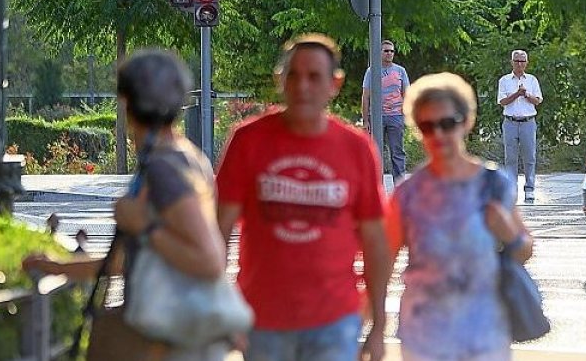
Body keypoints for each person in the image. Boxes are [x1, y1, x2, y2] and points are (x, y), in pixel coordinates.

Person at [23, 49, 230, 360]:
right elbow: (135, 260)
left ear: (127, 104)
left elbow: (209, 260)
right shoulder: (186, 157)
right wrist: (57, 266)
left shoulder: (165, 169)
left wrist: (143, 225)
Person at [216, 34, 390, 361]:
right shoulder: (248, 140)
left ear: (334, 84)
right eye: (293, 75)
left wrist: (379, 325)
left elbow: (375, 240)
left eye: (314, 77)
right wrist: (222, 308)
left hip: (335, 320)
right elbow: (218, 231)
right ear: (279, 79)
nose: (302, 86)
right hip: (262, 320)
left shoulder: (356, 149)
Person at [387, 73, 533, 361]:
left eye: (447, 123)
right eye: (427, 126)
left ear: (466, 122)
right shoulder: (407, 194)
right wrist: (374, 320)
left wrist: (509, 235)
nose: (438, 134)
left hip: (484, 331)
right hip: (423, 334)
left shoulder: (493, 184)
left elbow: (525, 250)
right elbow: (385, 259)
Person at [362, 39, 411, 182]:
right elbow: (366, 96)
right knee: (375, 152)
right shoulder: (372, 71)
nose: (389, 53)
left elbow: (407, 94)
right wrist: (365, 120)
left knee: (397, 152)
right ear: (380, 53)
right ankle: (376, 185)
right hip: (376, 116)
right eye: (386, 51)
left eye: (392, 51)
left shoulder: (400, 71)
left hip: (396, 116)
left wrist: (405, 115)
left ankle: (400, 187)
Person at [497, 50, 542, 203]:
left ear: (526, 63)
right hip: (510, 122)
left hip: (528, 122)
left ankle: (529, 189)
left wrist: (526, 94)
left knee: (529, 157)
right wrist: (516, 94)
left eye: (522, 61)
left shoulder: (532, 80)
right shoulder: (504, 80)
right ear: (512, 62)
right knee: (510, 158)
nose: (519, 64)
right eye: (516, 61)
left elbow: (538, 100)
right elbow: (502, 101)